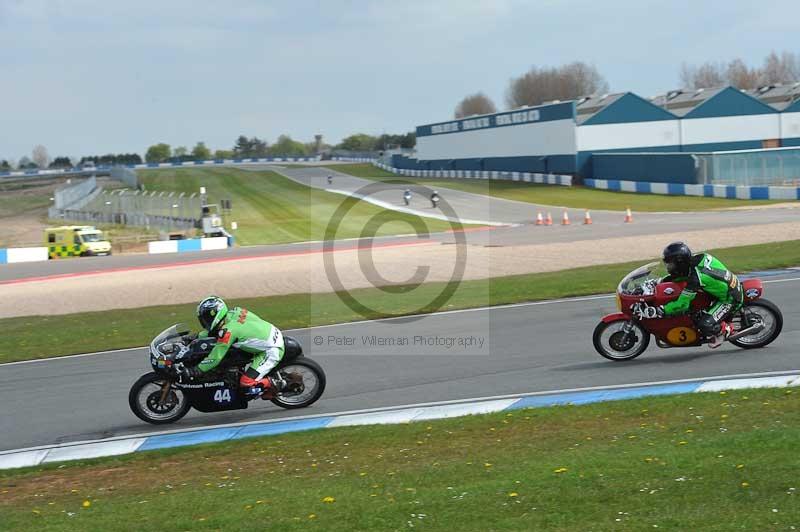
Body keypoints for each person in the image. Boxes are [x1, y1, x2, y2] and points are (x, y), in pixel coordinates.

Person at [177, 296, 286, 396]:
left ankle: (276, 384)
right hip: (271, 333)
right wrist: (197, 336)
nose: (205, 321)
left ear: (215, 315)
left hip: (271, 350)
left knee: (246, 384)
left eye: (206, 318)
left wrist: (197, 370)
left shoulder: (229, 332)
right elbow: (216, 330)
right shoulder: (235, 312)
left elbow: (215, 357)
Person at [654, 242, 743, 348]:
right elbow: (684, 275)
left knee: (704, 325)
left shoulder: (696, 279)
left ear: (680, 262)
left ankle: (726, 330)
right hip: (725, 287)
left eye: (671, 264)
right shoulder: (699, 258)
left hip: (729, 298)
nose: (669, 267)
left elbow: (682, 305)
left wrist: (662, 310)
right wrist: (661, 281)